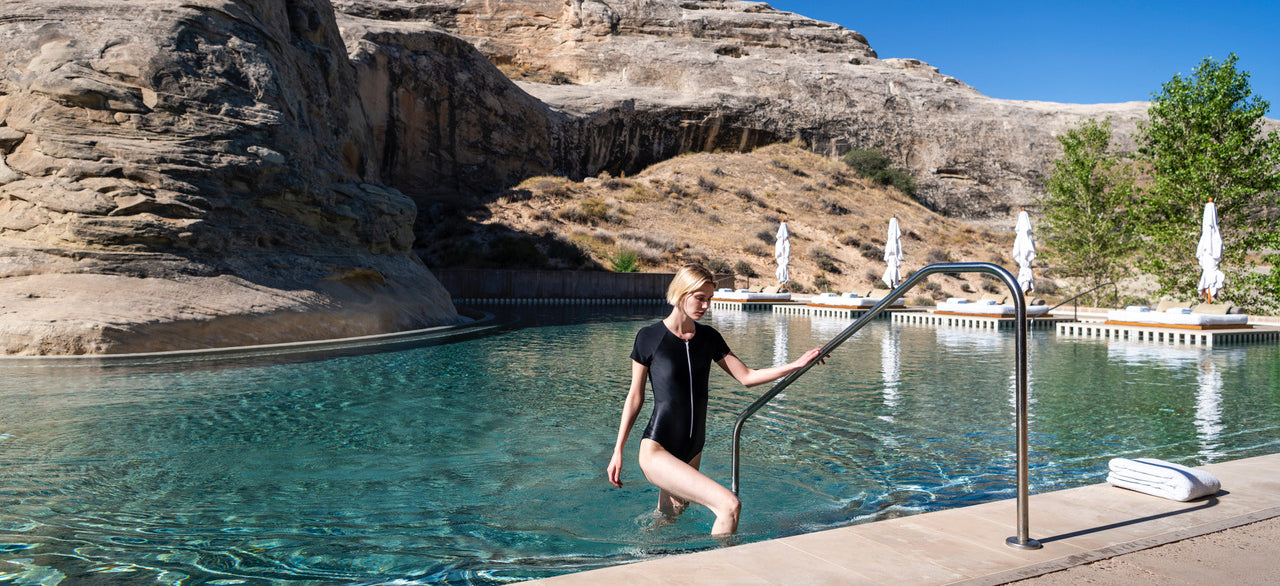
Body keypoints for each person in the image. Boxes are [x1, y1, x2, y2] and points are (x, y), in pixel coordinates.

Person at [606, 263, 825, 535]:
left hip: (693, 448)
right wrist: (618, 451)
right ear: (681, 292)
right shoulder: (649, 338)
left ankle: (640, 558)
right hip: (657, 450)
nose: (705, 306)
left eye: (709, 299)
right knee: (728, 505)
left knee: (666, 520)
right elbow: (635, 397)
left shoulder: (708, 338)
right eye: (700, 297)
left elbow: (747, 376)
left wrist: (796, 364)